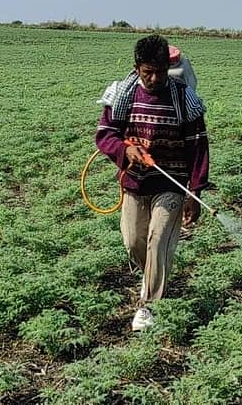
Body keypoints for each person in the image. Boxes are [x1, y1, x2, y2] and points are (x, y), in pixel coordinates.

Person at [95, 34, 210, 331]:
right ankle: (153, 276)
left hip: (171, 184)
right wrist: (124, 150)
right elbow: (105, 134)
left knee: (158, 241)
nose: (155, 77)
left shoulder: (183, 98)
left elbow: (198, 145)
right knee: (134, 241)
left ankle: (147, 307)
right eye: (148, 71)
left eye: (160, 70)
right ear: (137, 67)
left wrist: (194, 192)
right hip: (134, 183)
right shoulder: (123, 95)